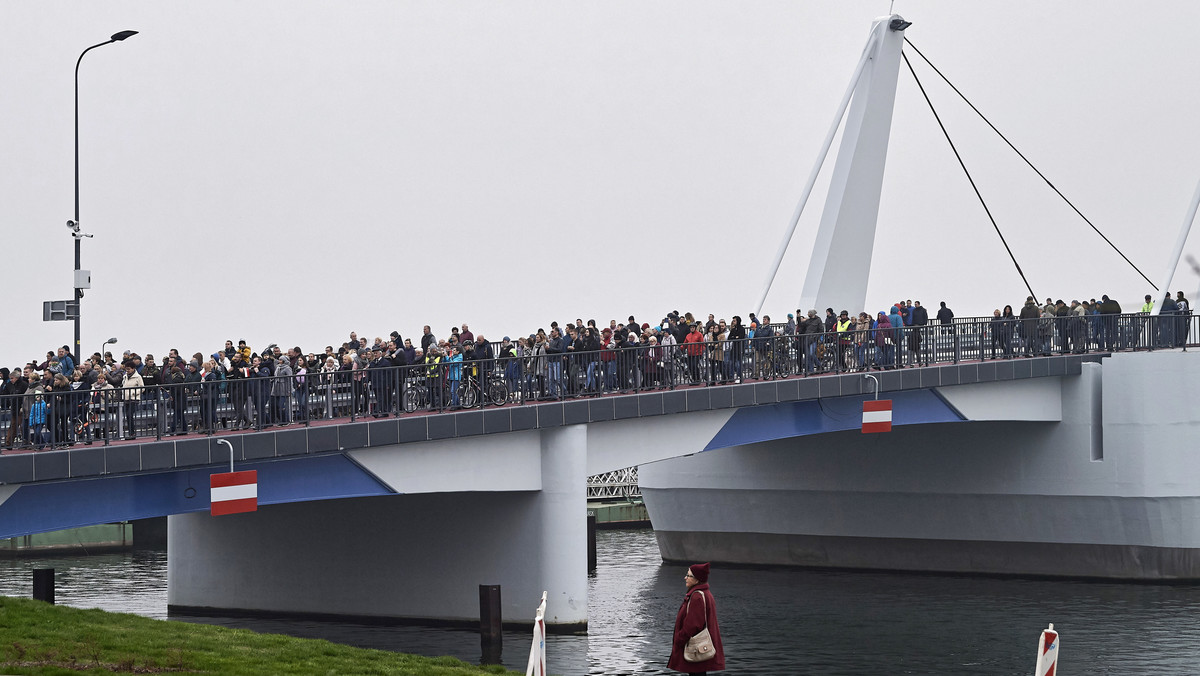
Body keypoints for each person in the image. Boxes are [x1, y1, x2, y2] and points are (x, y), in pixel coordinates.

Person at [668, 562, 724, 673]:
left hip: (695, 647)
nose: (685, 578)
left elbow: (693, 625)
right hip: (701, 646)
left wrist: (679, 639)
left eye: (688, 575)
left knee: (696, 672)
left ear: (697, 580)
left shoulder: (697, 597)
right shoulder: (706, 593)